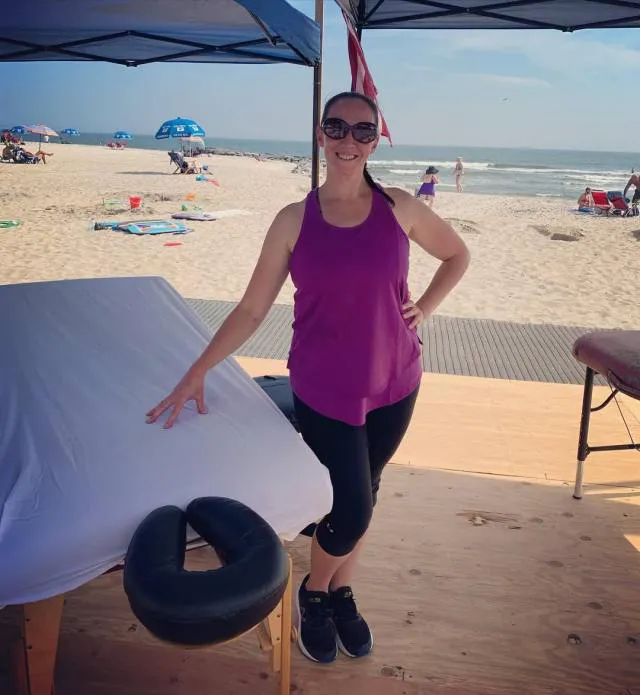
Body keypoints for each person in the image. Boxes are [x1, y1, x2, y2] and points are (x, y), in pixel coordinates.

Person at [146, 91, 470, 665]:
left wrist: (424, 306)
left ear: (375, 142)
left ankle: (341, 590)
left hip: (396, 381)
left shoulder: (400, 207)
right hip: (324, 390)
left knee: (367, 490)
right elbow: (252, 309)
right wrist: (198, 369)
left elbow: (457, 255)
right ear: (321, 135)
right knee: (351, 509)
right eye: (337, 127)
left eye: (363, 131)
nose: (349, 141)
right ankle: (313, 592)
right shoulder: (294, 220)